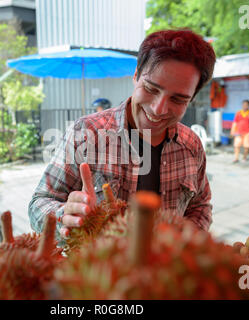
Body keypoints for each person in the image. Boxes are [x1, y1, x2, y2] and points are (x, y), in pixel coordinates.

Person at [29, 29, 216, 240]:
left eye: (178, 99)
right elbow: (39, 203)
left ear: (191, 99)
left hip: (166, 270)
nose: (158, 109)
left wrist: (187, 243)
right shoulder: (86, 133)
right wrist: (65, 217)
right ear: (136, 75)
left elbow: (200, 206)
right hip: (96, 269)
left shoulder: (191, 145)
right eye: (151, 89)